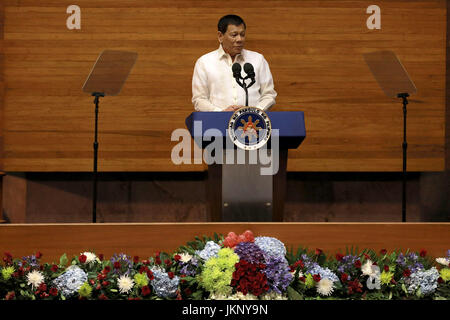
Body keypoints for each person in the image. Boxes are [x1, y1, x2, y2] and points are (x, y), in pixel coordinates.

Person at [192, 14, 277, 112]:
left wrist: (255, 112)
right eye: (234, 35)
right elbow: (199, 99)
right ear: (220, 36)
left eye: (242, 34)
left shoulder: (258, 59)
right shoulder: (204, 62)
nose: (239, 39)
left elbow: (269, 95)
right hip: (217, 123)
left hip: (252, 123)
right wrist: (221, 113)